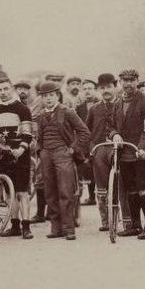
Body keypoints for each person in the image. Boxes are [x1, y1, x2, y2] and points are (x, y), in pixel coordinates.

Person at [33, 80, 89, 240]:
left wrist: (72, 149)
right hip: (46, 156)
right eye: (45, 96)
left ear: (58, 96)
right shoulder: (41, 116)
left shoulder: (68, 112)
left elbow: (84, 132)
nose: (48, 99)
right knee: (50, 192)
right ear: (41, 99)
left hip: (63, 154)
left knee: (66, 191)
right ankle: (55, 228)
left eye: (51, 95)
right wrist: (40, 150)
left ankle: (69, 228)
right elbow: (39, 138)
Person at [0, 77, 35, 239]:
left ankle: (26, 227)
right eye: (0, 90)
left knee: (22, 191)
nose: (3, 93)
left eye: (6, 89)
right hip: (4, 153)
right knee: (8, 191)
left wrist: (21, 149)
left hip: (21, 153)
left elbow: (28, 134)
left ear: (11, 89)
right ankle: (15, 226)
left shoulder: (22, 108)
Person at [110, 69, 145, 239]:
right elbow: (111, 125)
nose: (128, 84)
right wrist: (114, 134)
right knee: (130, 189)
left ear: (137, 81)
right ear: (120, 82)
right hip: (124, 153)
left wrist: (143, 148)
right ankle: (135, 226)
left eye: (132, 80)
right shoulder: (117, 103)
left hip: (141, 153)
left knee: (144, 190)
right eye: (125, 80)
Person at [87, 73, 120, 231]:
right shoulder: (94, 109)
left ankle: (122, 218)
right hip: (99, 149)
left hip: (119, 148)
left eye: (109, 87)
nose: (106, 90)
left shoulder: (121, 104)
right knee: (101, 187)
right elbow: (87, 131)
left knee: (121, 183)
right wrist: (90, 150)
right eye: (102, 87)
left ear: (115, 87)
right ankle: (105, 221)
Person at [75, 79, 99, 205]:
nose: (87, 91)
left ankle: (101, 194)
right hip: (85, 140)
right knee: (86, 166)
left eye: (90, 88)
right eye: (85, 89)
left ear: (95, 90)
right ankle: (91, 196)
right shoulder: (80, 107)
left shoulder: (100, 104)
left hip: (98, 138)